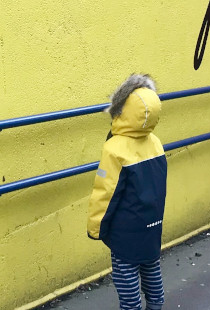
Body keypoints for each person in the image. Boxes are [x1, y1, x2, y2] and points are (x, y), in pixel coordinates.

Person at [87, 74, 167, 310]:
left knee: (126, 275)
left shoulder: (114, 149)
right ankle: (156, 304)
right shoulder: (155, 143)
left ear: (120, 110)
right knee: (151, 267)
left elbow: (106, 192)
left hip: (126, 230)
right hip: (152, 225)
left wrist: (95, 227)